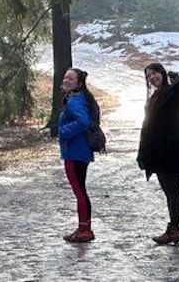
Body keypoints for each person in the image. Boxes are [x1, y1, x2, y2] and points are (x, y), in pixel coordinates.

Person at [136, 62, 179, 245]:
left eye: (154, 73)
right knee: (168, 191)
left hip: (171, 150)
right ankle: (173, 228)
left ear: (162, 73)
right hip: (156, 152)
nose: (152, 78)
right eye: (148, 76)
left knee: (173, 191)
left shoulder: (173, 93)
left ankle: (174, 229)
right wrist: (143, 153)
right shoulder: (155, 96)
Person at [58, 67, 97, 243]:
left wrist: (63, 131)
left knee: (79, 191)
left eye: (71, 79)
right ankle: (84, 227)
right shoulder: (79, 98)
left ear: (79, 83)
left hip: (75, 152)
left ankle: (84, 230)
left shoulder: (74, 101)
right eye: (65, 77)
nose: (66, 81)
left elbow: (83, 121)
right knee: (81, 190)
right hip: (80, 151)